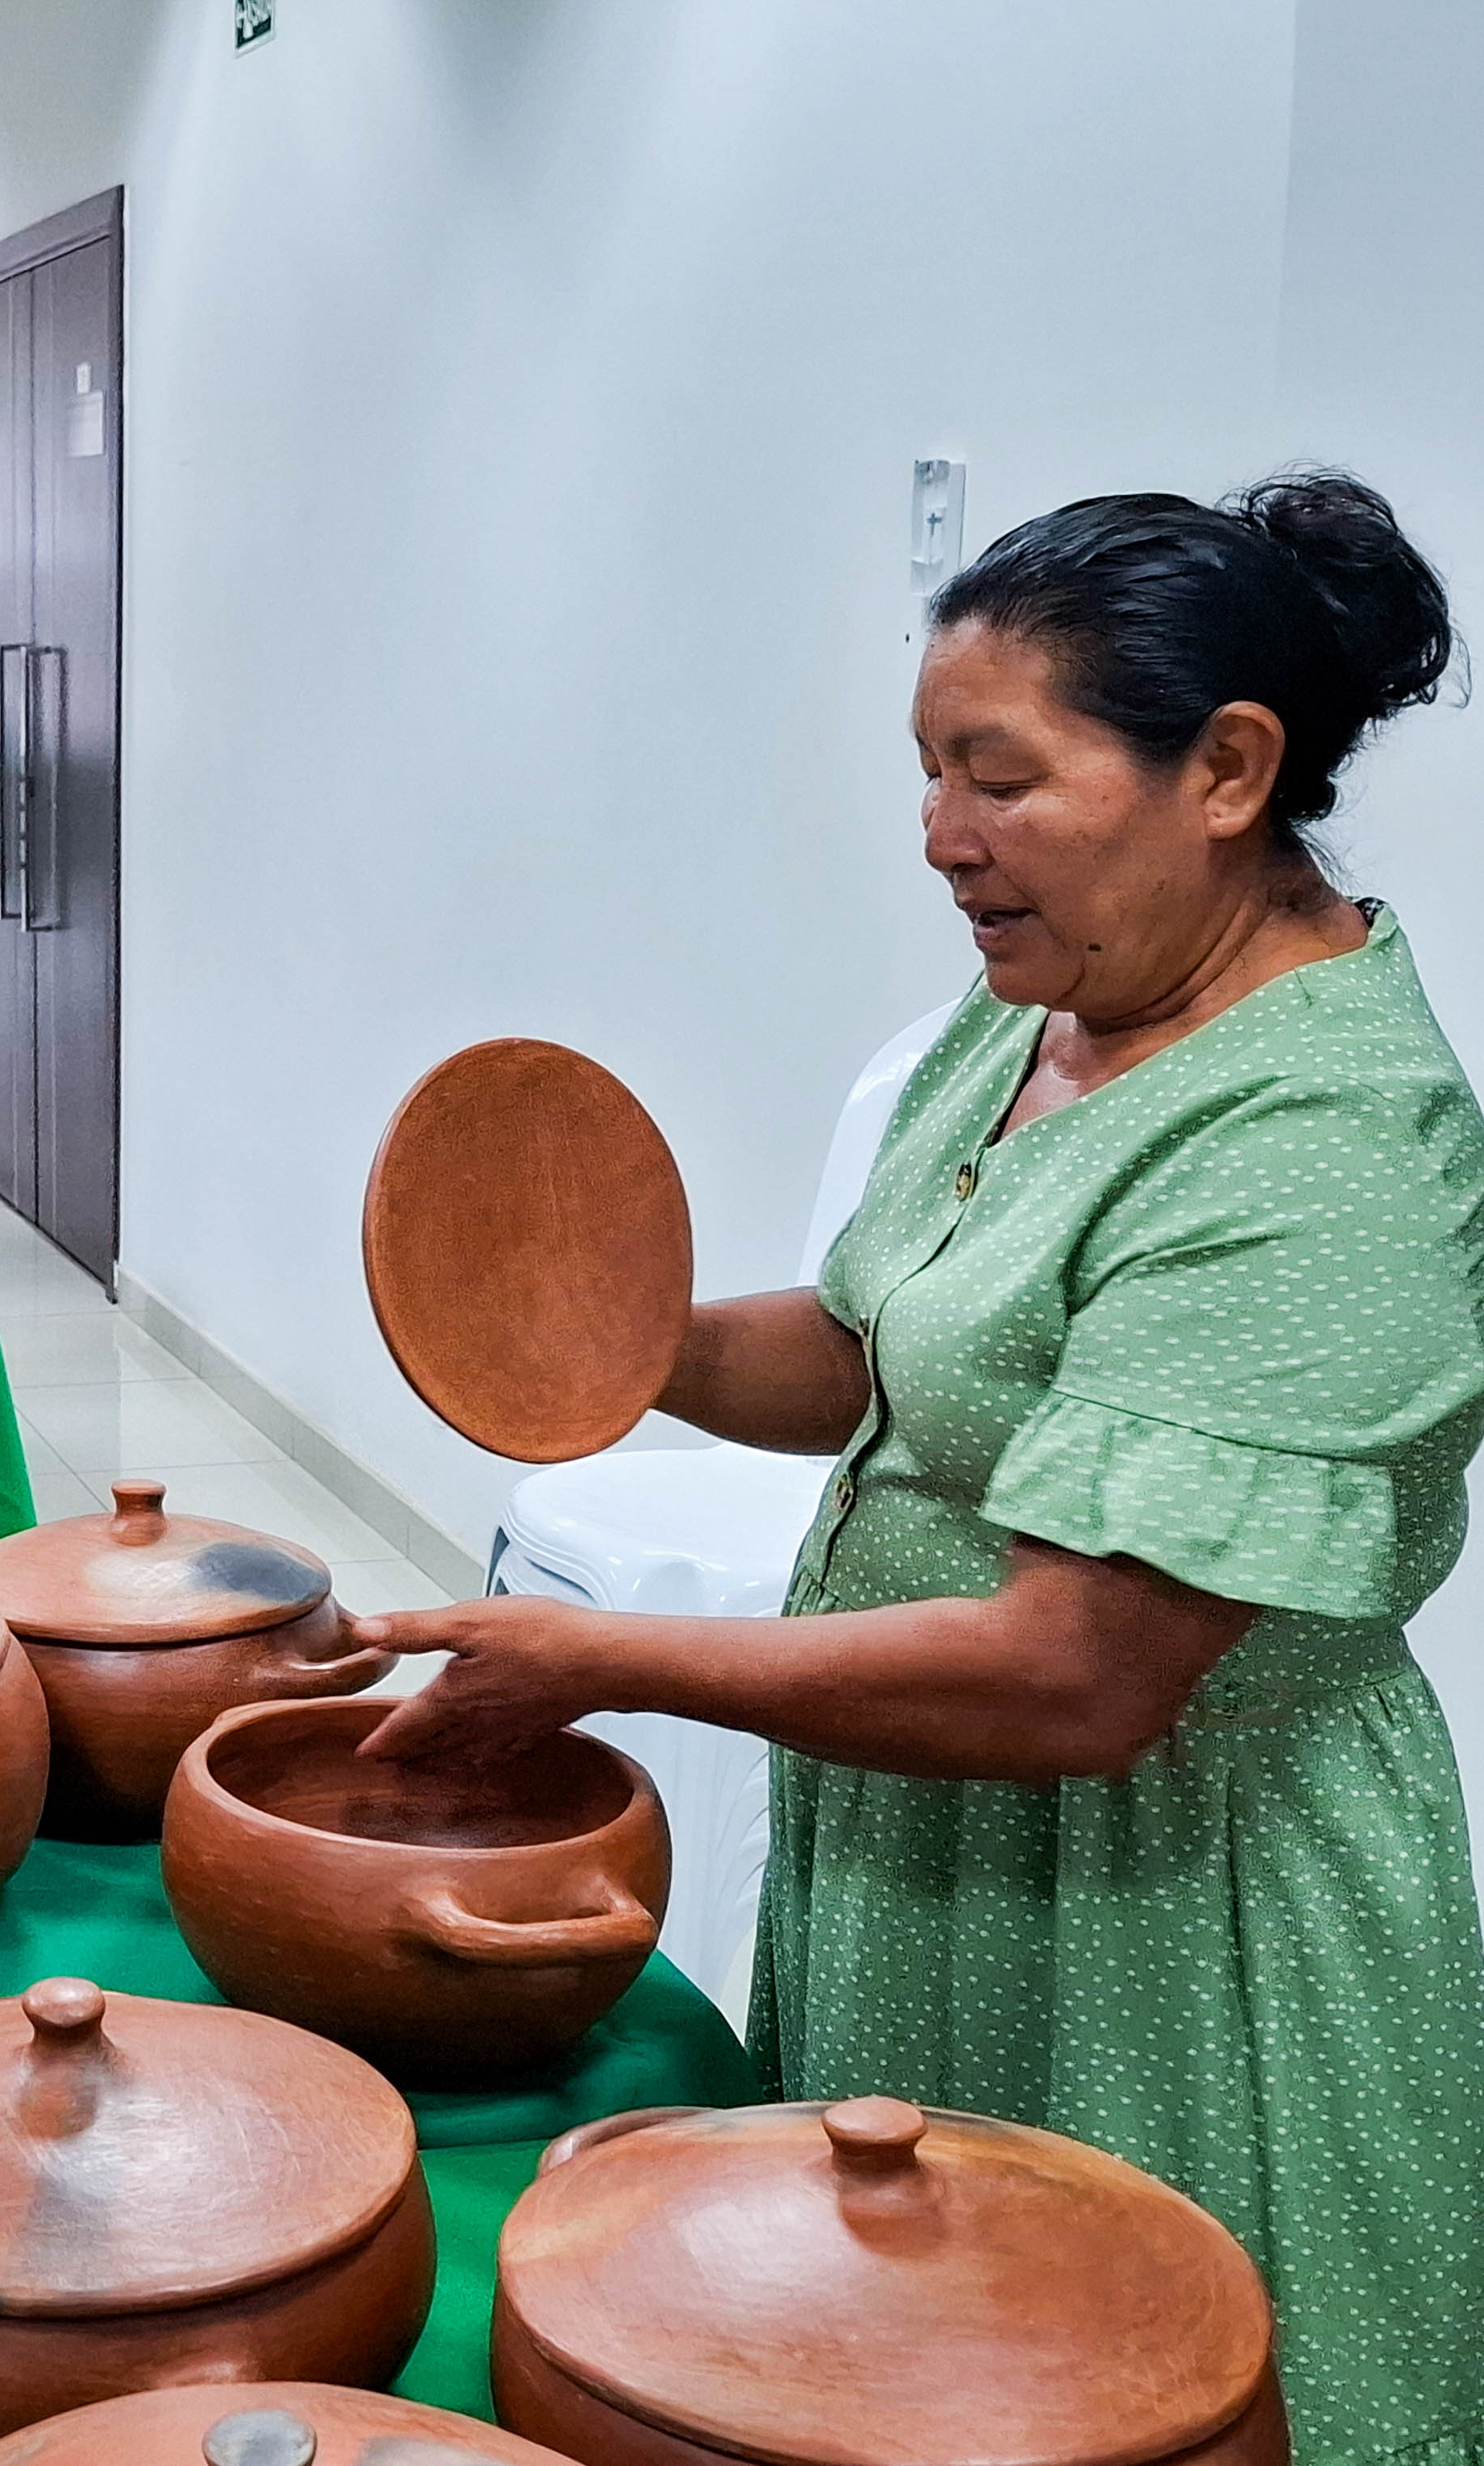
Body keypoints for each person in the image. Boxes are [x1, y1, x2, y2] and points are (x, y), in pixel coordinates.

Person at [369, 471, 1484, 2460]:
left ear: (1227, 770)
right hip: (937, 1845)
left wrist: (602, 1658)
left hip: (1173, 1899)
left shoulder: (1328, 1141)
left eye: (1001, 780)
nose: (942, 841)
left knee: (1135, 2380)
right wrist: (613, 1336)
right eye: (926, 775)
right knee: (897, 2366)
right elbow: (902, 1351)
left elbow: (1083, 1671)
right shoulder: (1045, 1008)